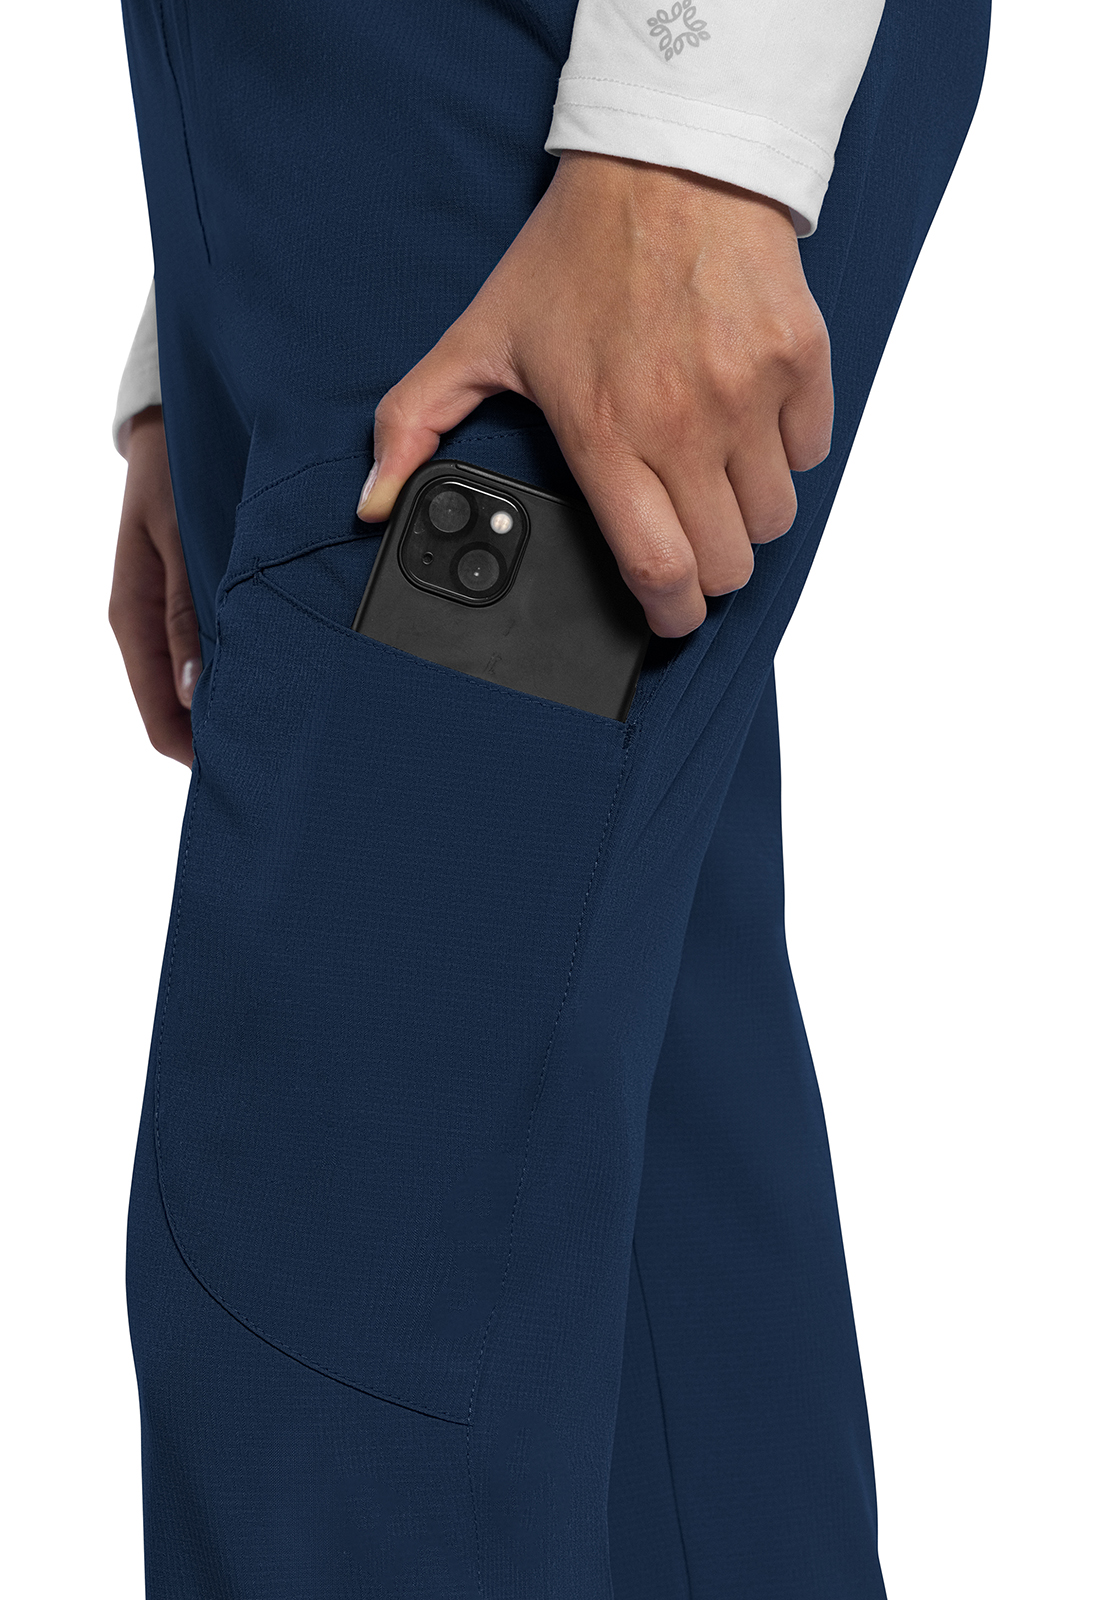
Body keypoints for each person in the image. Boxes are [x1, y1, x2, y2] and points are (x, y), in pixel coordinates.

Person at [109, 0, 990, 1593]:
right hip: (334, 158)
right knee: (633, 1225)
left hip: (571, 108)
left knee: (338, 1275)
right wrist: (204, 315)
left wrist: (694, 122)